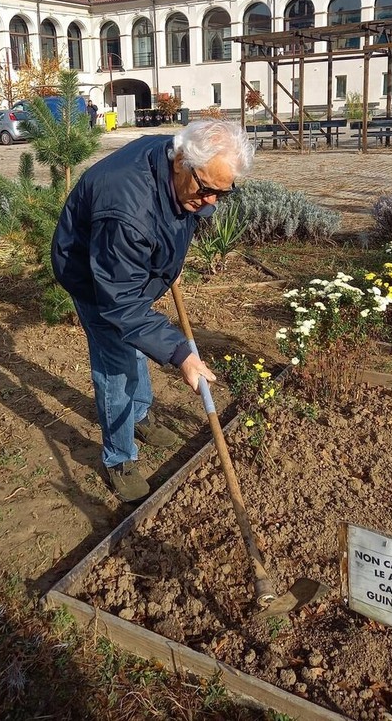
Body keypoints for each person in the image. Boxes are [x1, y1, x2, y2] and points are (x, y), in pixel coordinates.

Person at [51, 119, 254, 502]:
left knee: (138, 341)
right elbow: (121, 303)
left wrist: (171, 255)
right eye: (207, 190)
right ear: (180, 162)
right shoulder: (127, 212)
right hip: (96, 278)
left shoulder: (180, 157)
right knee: (116, 365)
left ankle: (140, 416)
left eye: (221, 193)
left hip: (128, 271)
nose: (211, 201)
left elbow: (186, 208)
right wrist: (181, 355)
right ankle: (119, 457)